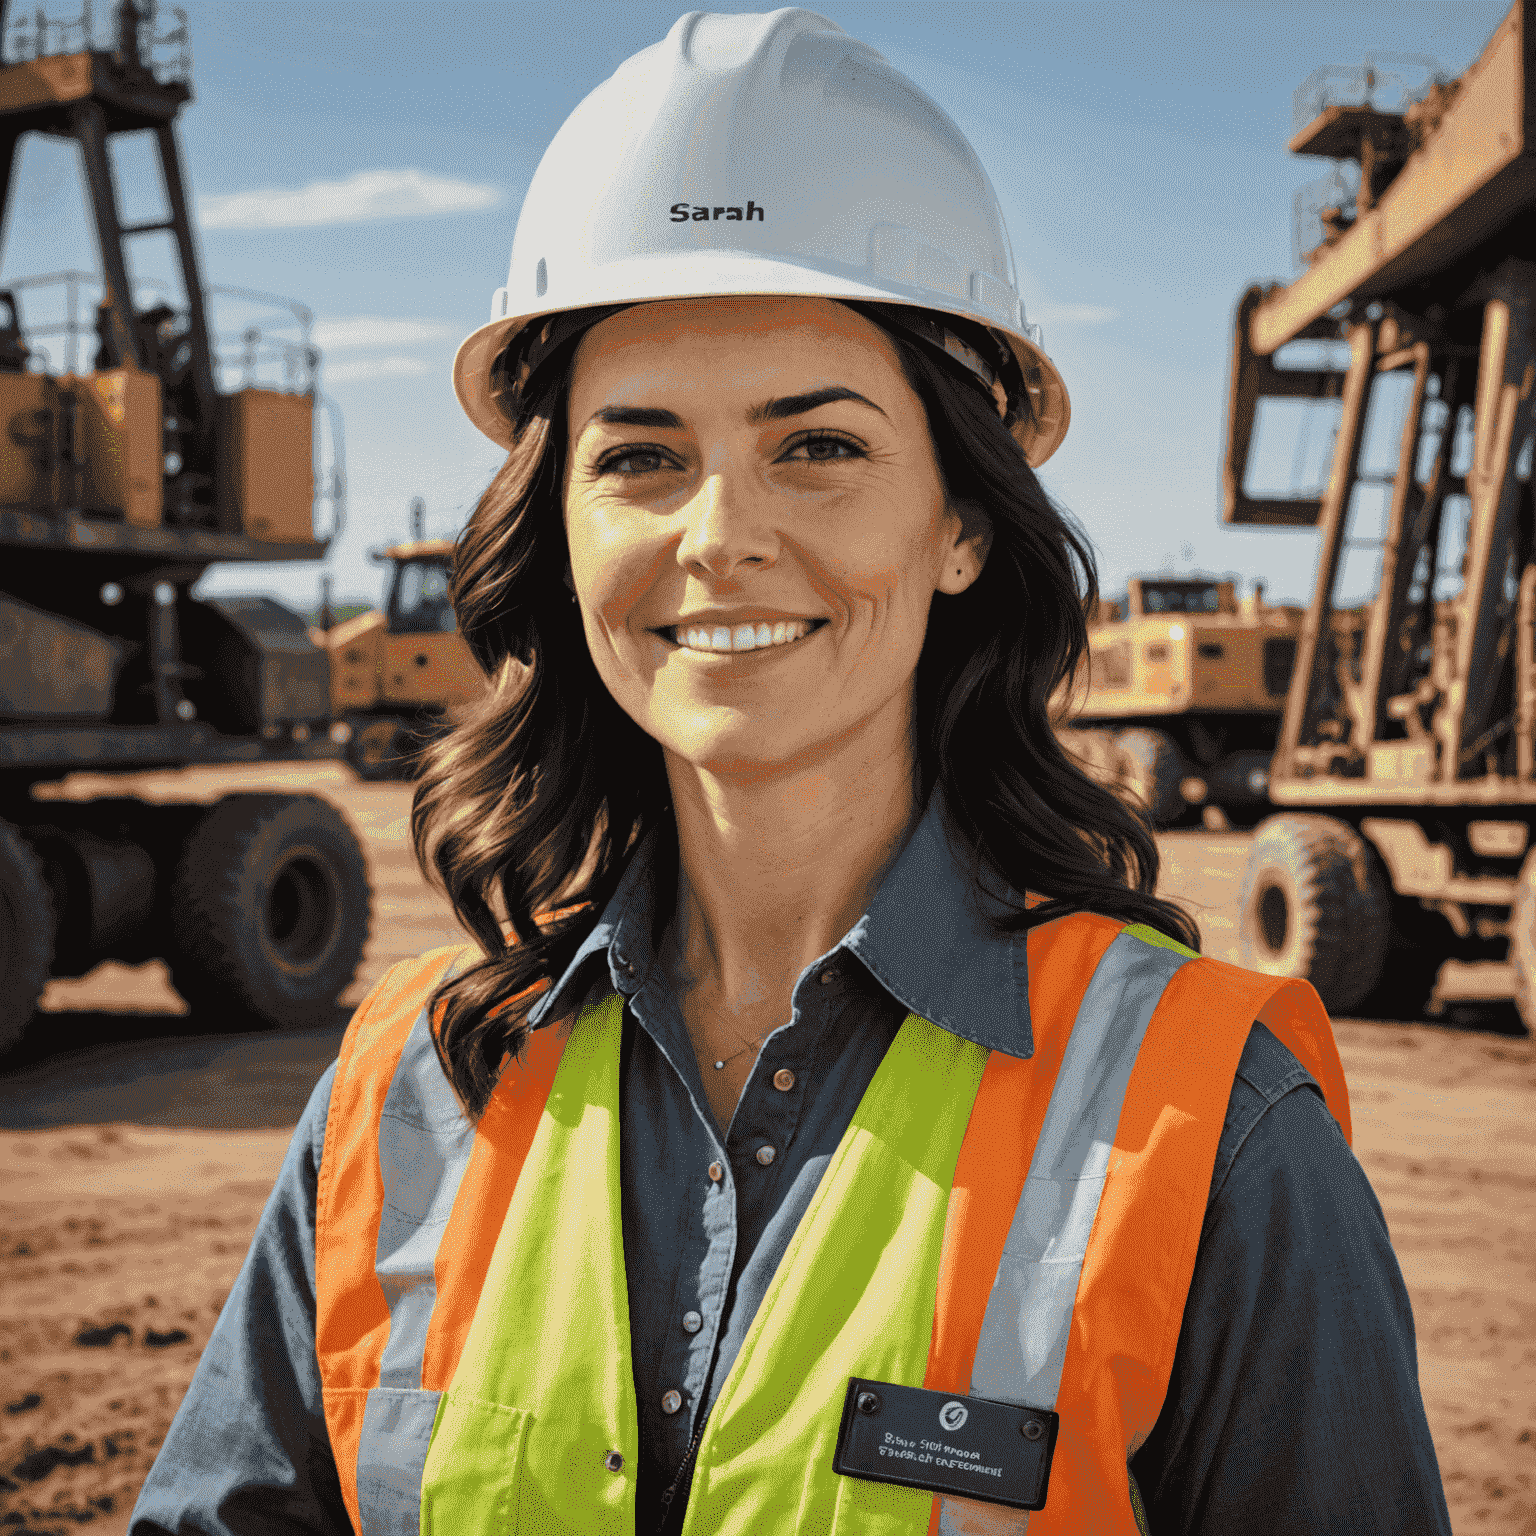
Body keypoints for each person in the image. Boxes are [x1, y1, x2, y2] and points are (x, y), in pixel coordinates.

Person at [129, 9, 1452, 1534]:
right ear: (557, 533)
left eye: (815, 446)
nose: (718, 534)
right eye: (639, 456)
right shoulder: (405, 1091)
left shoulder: (1213, 1124)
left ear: (961, 526)